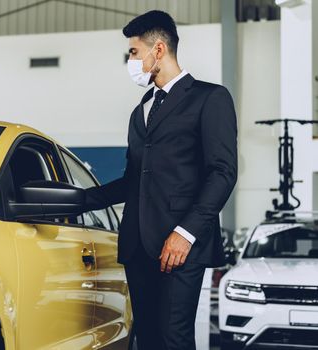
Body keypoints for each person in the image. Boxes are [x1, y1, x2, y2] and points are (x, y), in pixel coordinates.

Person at [83, 10, 238, 350]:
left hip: (180, 246)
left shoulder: (210, 98)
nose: (131, 60)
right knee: (148, 338)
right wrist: (80, 199)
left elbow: (223, 173)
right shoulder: (141, 109)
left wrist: (185, 233)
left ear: (158, 49)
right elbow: (132, 180)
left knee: (173, 338)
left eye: (134, 52)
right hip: (138, 244)